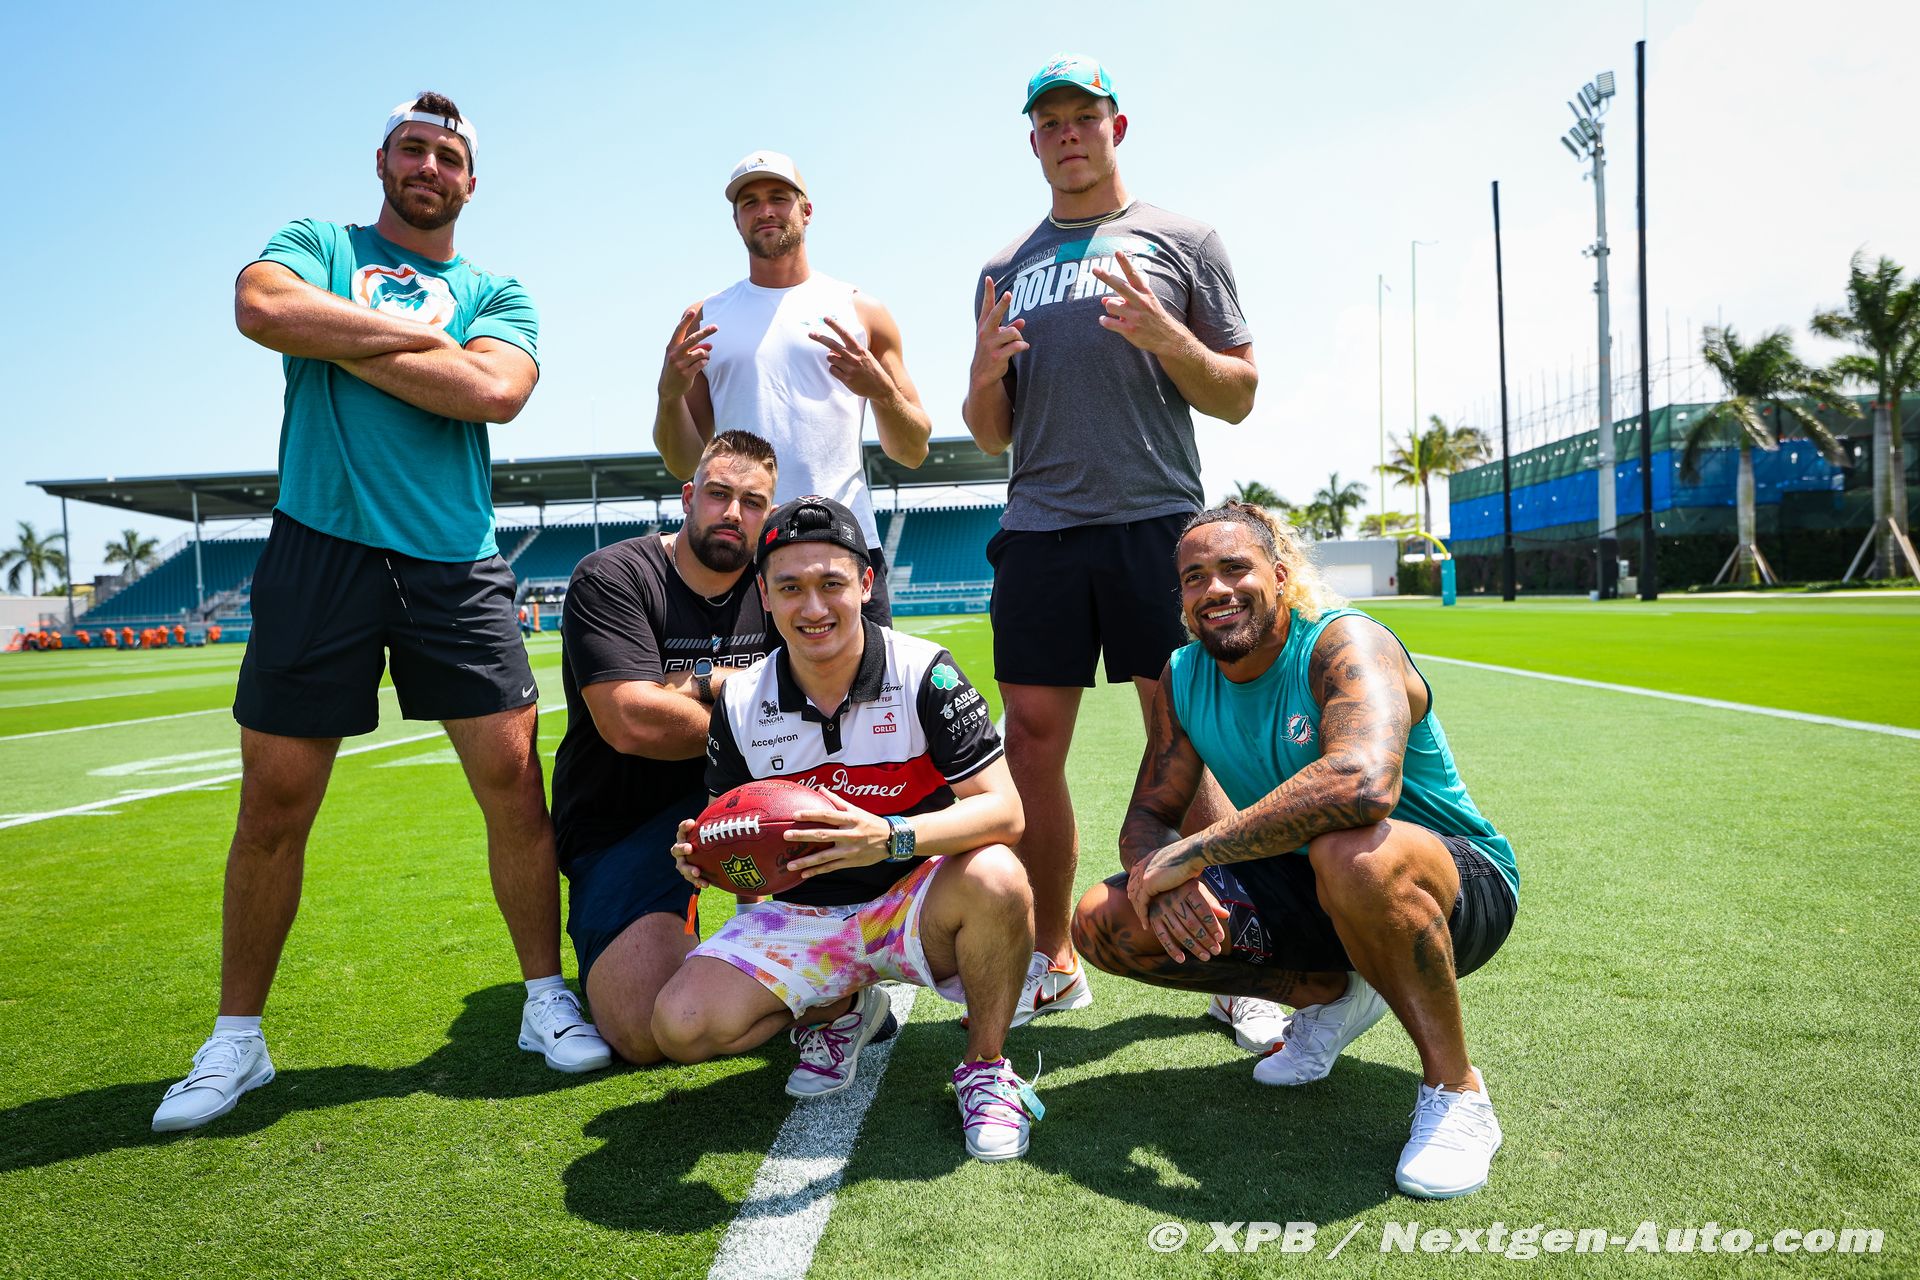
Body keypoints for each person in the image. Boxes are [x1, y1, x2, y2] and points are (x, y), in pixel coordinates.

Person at [153, 92, 610, 1136]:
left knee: (513, 786)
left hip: (455, 557)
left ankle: (545, 998)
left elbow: (494, 393)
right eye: (414, 148)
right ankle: (237, 1038)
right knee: (274, 802)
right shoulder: (320, 242)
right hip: (319, 544)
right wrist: (419, 341)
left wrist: (335, 335)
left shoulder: (498, 288)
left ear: (471, 182)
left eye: (448, 156)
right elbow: (262, 308)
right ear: (382, 160)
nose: (429, 166)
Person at [1070, 502, 1520, 1198]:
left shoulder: (1342, 641)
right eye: (1194, 578)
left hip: (1452, 884)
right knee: (1107, 920)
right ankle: (1335, 996)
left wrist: (1196, 853)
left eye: (1234, 568)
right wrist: (1160, 877)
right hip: (1315, 886)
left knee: (1351, 855)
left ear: (1280, 576)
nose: (1215, 590)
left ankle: (1457, 1091)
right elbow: (1149, 817)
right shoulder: (1183, 675)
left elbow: (1364, 785)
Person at [960, 54, 1262, 1034]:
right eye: (1049, 122)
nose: (1068, 135)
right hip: (1040, 530)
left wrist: (1168, 338)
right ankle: (1051, 958)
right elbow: (991, 433)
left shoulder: (1183, 239)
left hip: (1155, 523)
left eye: (1083, 117)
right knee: (1028, 745)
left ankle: (1238, 963)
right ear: (1033, 140)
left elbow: (1238, 393)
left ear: (1116, 127)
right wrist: (982, 372)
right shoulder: (1003, 267)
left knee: (1182, 737)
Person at [652, 496, 1041, 1162]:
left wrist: (889, 837)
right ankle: (842, 1010)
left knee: (999, 877)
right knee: (680, 1026)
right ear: (764, 597)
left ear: (865, 583)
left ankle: (985, 1066)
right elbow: (733, 833)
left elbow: (1005, 812)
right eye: (790, 588)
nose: (813, 608)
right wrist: (706, 856)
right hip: (803, 915)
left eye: (831, 583)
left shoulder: (925, 671)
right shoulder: (740, 701)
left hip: (913, 900)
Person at [551, 431, 779, 1063]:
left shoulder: (779, 582)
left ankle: (792, 954)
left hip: (759, 809)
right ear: (688, 497)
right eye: (718, 494)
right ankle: (796, 982)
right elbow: (632, 722)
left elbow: (824, 692)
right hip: (626, 819)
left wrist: (688, 684)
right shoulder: (614, 575)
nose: (733, 513)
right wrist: (747, 698)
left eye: (753, 502)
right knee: (643, 1028)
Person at [653, 151, 933, 625]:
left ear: (806, 209)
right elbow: (683, 462)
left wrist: (881, 392)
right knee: (745, 679)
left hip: (843, 545)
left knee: (866, 676)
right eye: (749, 202)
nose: (764, 210)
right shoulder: (705, 318)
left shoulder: (861, 311)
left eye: (778, 197)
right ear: (736, 220)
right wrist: (668, 395)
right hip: (744, 553)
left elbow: (912, 450)